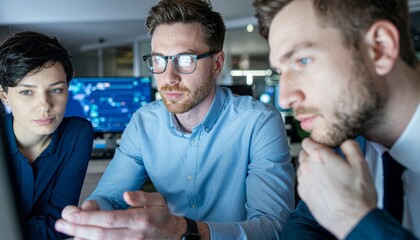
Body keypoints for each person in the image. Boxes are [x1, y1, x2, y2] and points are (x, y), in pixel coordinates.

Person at [54, 0, 295, 239]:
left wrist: (184, 231)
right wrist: (92, 215)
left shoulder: (259, 122)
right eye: (159, 60)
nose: (169, 77)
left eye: (185, 60)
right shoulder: (143, 123)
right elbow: (110, 197)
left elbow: (273, 227)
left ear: (217, 64)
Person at [253, 0, 420, 239]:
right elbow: (303, 223)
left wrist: (354, 219)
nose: (285, 99)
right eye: (281, 72)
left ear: (380, 49)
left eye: (302, 61)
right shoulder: (348, 140)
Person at [0, 31, 94, 239]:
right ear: (5, 96)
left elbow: (59, 222)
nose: (45, 106)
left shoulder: (77, 134)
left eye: (56, 90)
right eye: (27, 92)